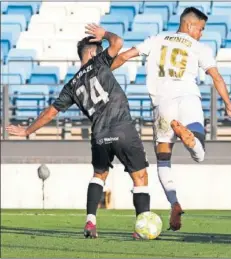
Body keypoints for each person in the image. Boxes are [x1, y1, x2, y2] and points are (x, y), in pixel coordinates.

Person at [6, 24, 150, 239]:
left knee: (99, 176)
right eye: (99, 48)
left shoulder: (72, 85)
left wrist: (27, 130)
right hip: (123, 127)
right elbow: (118, 43)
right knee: (140, 177)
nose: (103, 51)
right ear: (92, 52)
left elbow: (50, 113)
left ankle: (90, 221)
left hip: (100, 134)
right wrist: (106, 34)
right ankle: (142, 227)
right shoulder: (100, 62)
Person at [109, 7, 231, 231]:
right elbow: (216, 77)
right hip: (189, 98)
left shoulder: (155, 39)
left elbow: (123, 56)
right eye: (200, 29)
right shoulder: (199, 47)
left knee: (163, 160)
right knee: (199, 154)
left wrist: (101, 73)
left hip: (162, 104)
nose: (201, 33)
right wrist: (228, 104)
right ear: (189, 26)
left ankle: (174, 202)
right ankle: (191, 141)